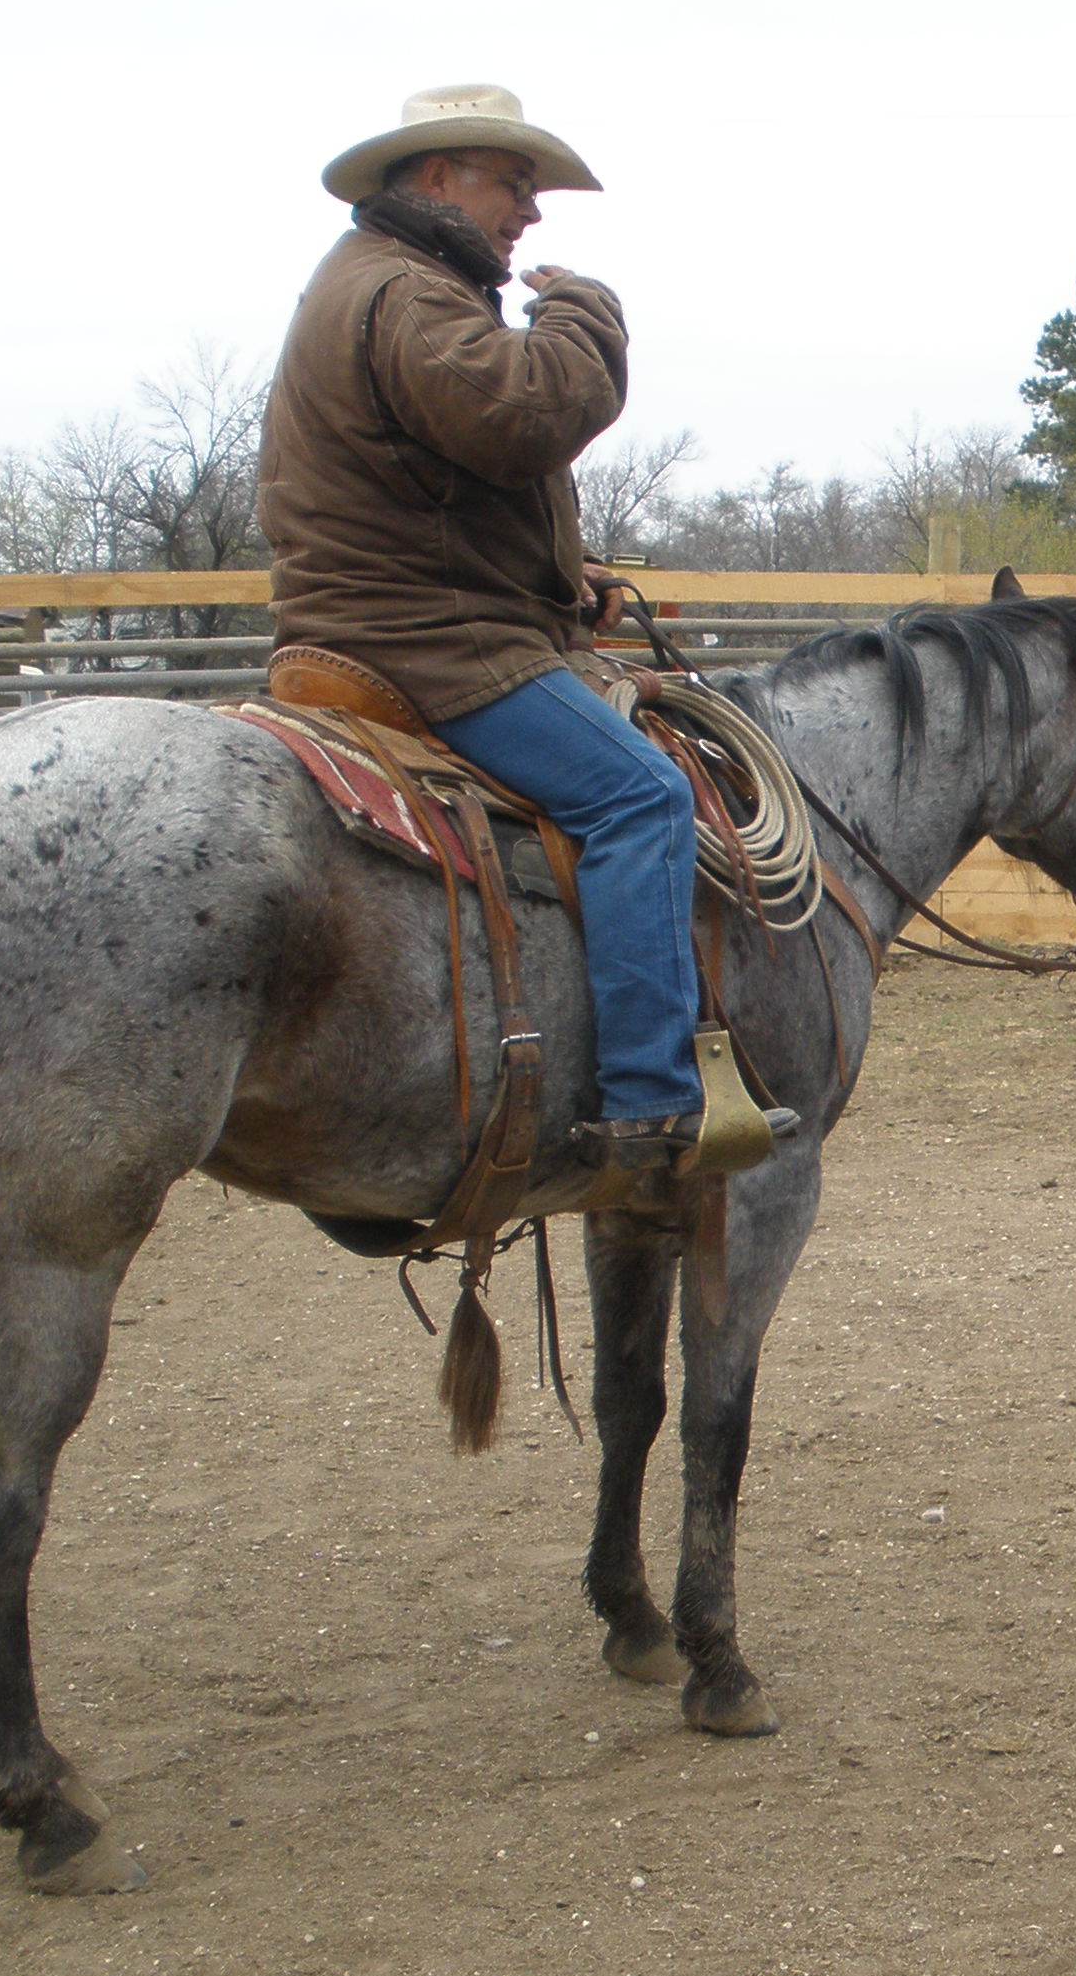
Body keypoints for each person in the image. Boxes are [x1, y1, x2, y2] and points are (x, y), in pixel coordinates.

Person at [258, 83, 774, 1173]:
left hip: (397, 614)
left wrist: (557, 577)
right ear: (438, 175)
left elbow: (431, 491)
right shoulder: (410, 293)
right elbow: (527, 413)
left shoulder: (378, 281)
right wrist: (587, 313)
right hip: (429, 644)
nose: (531, 213)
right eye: (516, 184)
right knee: (643, 795)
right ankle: (653, 1104)